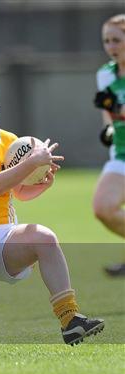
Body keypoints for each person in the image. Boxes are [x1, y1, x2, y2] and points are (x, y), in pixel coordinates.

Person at [0, 70, 104, 357]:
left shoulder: (8, 140)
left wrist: (41, 183)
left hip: (1, 234)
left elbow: (17, 192)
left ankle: (70, 319)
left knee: (45, 238)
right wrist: (33, 161)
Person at [92, 14, 125, 277]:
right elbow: (108, 114)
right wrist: (108, 129)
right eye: (107, 41)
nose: (111, 46)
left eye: (117, 40)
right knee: (103, 208)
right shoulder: (105, 74)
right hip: (121, 154)